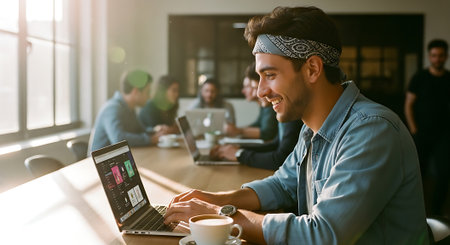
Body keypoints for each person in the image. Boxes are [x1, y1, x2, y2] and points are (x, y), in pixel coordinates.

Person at [164, 6, 428, 244]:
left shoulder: (371, 130)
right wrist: (218, 199)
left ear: (313, 68)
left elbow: (323, 234)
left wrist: (220, 215)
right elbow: (282, 184)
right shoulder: (312, 128)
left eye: (270, 75)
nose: (260, 91)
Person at [211, 62, 302, 170]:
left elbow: (281, 159)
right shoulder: (282, 110)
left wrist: (239, 154)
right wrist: (238, 149)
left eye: (253, 87)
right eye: (255, 88)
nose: (257, 93)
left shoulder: (290, 112)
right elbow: (275, 144)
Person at [404, 39, 450, 215]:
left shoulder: (448, 78)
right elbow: (408, 104)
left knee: (444, 173)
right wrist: (414, 130)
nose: (437, 59)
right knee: (417, 175)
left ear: (445, 56)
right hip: (421, 133)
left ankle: (437, 212)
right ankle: (416, 212)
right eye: (434, 56)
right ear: (429, 56)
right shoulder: (420, 78)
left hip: (443, 135)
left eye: (440, 56)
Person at [90, 70, 163, 152]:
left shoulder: (130, 108)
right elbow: (118, 139)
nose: (150, 97)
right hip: (100, 163)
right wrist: (150, 140)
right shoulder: (112, 108)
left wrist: (155, 130)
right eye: (148, 92)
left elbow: (140, 130)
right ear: (136, 92)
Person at [225, 62, 279, 141]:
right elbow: (257, 124)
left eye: (247, 87)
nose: (243, 91)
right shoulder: (265, 105)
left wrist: (239, 131)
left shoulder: (271, 105)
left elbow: (268, 133)